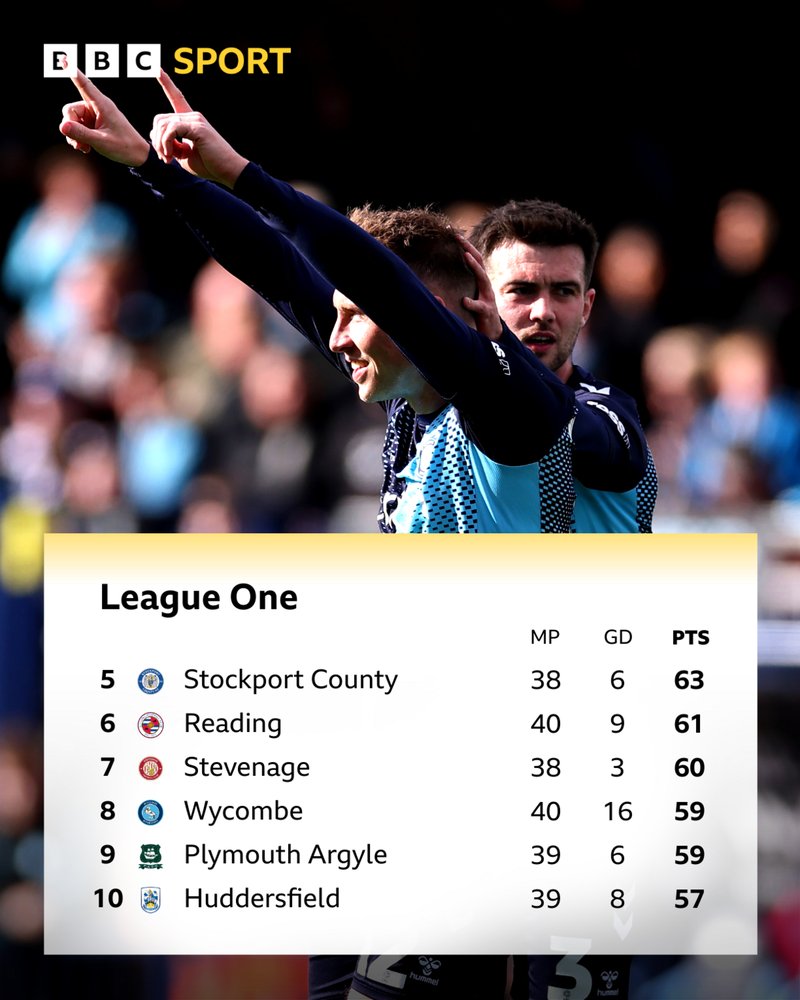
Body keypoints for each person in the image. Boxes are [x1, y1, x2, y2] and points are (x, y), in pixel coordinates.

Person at [59, 68, 580, 1000]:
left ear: (432, 313)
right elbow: (279, 272)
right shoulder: (408, 406)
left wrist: (249, 176)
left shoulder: (512, 416)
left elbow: (368, 280)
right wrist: (147, 166)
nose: (331, 334)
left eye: (354, 315)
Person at [471, 200, 658, 533]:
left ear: (586, 307)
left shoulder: (612, 413)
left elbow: (551, 423)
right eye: (522, 290)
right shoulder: (432, 399)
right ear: (479, 297)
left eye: (563, 291)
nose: (543, 311)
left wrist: (499, 352)